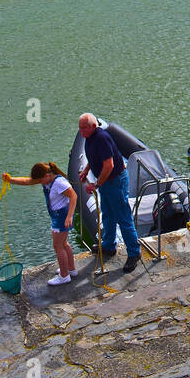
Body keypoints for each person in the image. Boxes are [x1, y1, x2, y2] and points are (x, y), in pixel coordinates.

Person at [77, 113, 140, 273]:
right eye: (80, 128)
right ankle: (108, 245)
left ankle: (134, 252)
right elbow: (93, 157)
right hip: (106, 182)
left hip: (115, 181)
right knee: (107, 214)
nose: (81, 131)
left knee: (123, 217)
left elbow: (109, 165)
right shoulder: (89, 137)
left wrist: (96, 184)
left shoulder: (101, 138)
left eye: (84, 128)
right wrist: (86, 170)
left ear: (93, 126)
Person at [2, 162, 78, 286]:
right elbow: (27, 181)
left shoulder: (59, 183)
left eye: (41, 180)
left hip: (62, 216)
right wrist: (10, 180)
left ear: (47, 175)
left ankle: (64, 276)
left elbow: (74, 196)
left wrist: (69, 216)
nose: (40, 183)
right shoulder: (47, 179)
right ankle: (71, 269)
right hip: (58, 215)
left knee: (58, 246)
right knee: (64, 244)